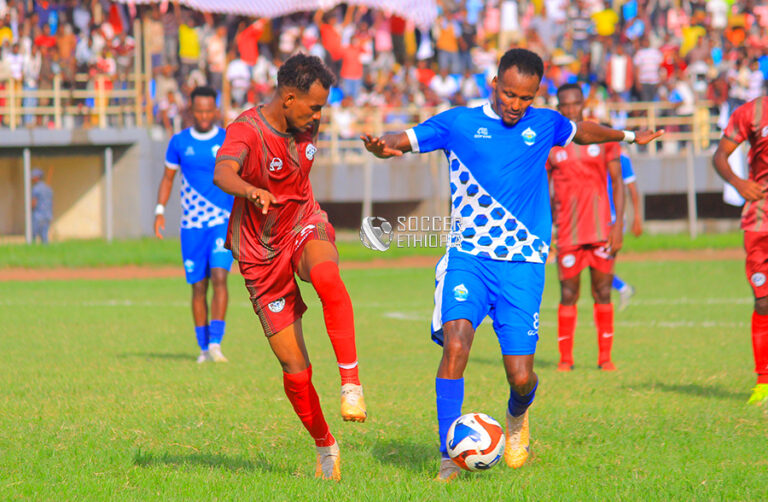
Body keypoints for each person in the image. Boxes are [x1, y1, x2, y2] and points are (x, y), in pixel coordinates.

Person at [360, 48, 662, 481]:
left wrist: (629, 135)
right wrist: (380, 147)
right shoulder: (458, 123)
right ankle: (448, 456)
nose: (515, 104)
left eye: (525, 97)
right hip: (469, 258)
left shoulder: (546, 124)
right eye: (508, 93)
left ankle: (517, 417)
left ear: (536, 95)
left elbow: (582, 132)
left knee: (521, 377)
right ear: (494, 84)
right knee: (456, 343)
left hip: (522, 264)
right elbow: (400, 139)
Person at [212, 53, 367, 481]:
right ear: (288, 98)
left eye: (322, 108)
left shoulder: (306, 124)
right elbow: (222, 173)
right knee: (295, 369)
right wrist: (250, 190)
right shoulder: (246, 129)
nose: (318, 116)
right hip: (259, 253)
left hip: (303, 222)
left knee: (326, 275)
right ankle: (325, 445)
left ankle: (351, 385)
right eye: (314, 107)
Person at [547, 84, 624, 373]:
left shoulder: (602, 136)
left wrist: (618, 224)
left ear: (583, 104)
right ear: (559, 107)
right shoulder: (552, 142)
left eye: (575, 104)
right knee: (568, 293)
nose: (571, 110)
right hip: (567, 232)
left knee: (603, 292)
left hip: (601, 230)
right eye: (565, 105)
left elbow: (617, 181)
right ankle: (565, 359)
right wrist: (546, 230)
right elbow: (542, 188)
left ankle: (605, 359)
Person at [154, 86, 234, 365]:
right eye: (199, 111)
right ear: (191, 110)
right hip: (191, 226)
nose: (204, 116)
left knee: (220, 277)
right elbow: (167, 178)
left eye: (208, 111)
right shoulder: (179, 142)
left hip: (222, 222)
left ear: (216, 110)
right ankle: (203, 349)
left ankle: (216, 344)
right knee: (198, 287)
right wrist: (160, 210)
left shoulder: (227, 139)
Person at [712, 96, 768, 405]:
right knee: (763, 301)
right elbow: (720, 155)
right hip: (760, 219)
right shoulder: (752, 112)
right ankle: (763, 382)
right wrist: (738, 182)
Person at [609, 151, 643, 310]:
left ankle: (622, 289)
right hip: (594, 218)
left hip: (613, 220)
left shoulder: (621, 159)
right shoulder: (592, 154)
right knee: (598, 264)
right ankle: (623, 289)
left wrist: (637, 217)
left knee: (602, 265)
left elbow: (632, 189)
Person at [30, 168, 53, 244]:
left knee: (33, 235)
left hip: (38, 215)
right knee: (44, 236)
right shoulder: (48, 188)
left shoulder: (36, 189)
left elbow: (34, 203)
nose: (31, 179)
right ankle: (45, 248)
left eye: (33, 177)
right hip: (48, 215)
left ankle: (32, 248)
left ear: (37, 178)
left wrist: (29, 209)